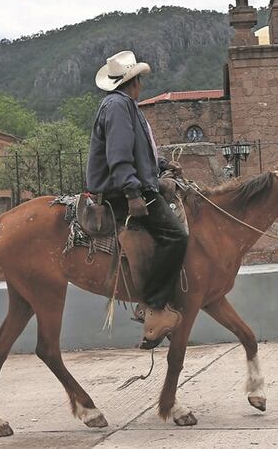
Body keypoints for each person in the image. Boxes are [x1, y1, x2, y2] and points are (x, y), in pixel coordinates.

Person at [86, 50, 187, 348]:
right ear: (135, 81)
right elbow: (118, 156)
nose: (141, 84)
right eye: (140, 80)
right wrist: (132, 193)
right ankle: (154, 305)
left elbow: (140, 154)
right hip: (124, 191)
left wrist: (164, 165)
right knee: (177, 236)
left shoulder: (126, 106)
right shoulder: (118, 107)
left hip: (135, 183)